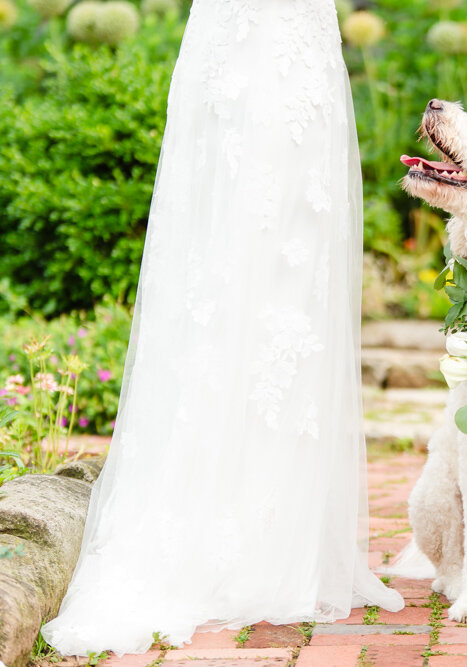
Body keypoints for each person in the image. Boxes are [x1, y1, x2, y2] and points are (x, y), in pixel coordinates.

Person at [41, 0, 403, 656]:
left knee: (296, 280)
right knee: (233, 260)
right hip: (250, 46)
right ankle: (221, 525)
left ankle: (283, 529)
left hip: (304, 48)